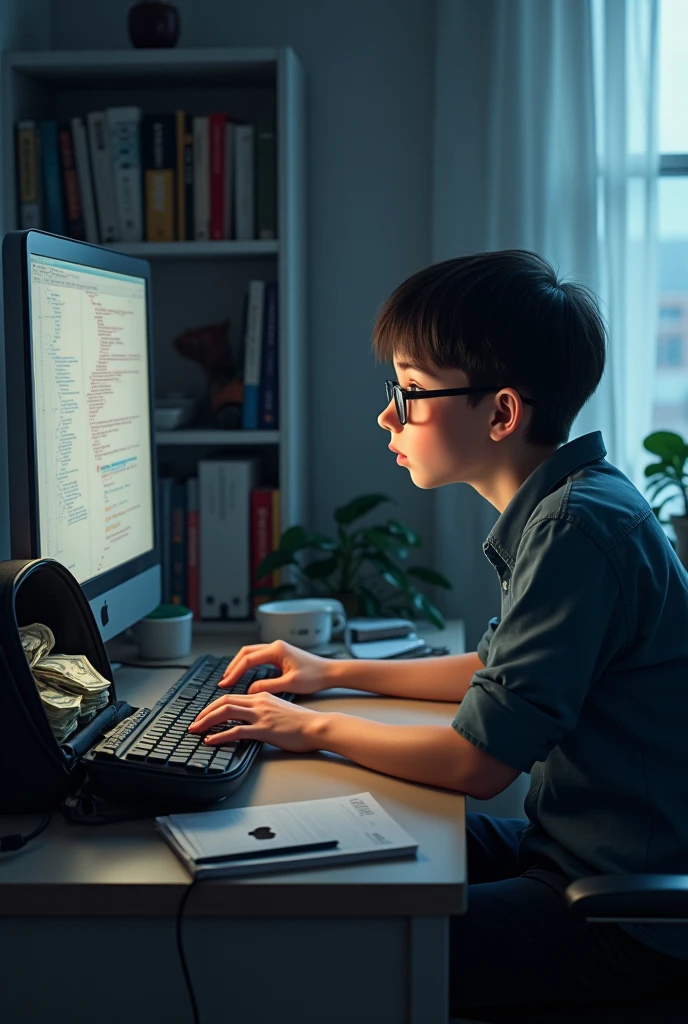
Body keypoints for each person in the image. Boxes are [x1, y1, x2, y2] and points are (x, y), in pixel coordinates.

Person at [189, 250, 688, 1013]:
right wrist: (331, 672)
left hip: (620, 915)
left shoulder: (575, 529)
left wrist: (309, 725)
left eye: (412, 392)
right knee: (332, 858)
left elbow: (479, 762)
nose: (388, 415)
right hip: (571, 854)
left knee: (323, 938)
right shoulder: (577, 503)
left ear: (501, 413)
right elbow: (495, 669)